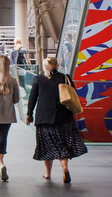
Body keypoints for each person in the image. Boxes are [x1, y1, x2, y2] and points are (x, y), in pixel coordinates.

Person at [25, 53, 88, 183]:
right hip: (64, 116)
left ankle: (48, 173)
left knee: (47, 145)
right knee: (62, 144)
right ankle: (64, 168)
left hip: (44, 118)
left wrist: (29, 114)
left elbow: (32, 99)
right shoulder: (65, 78)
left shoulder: (39, 79)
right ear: (56, 65)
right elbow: (73, 94)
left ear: (45, 66)